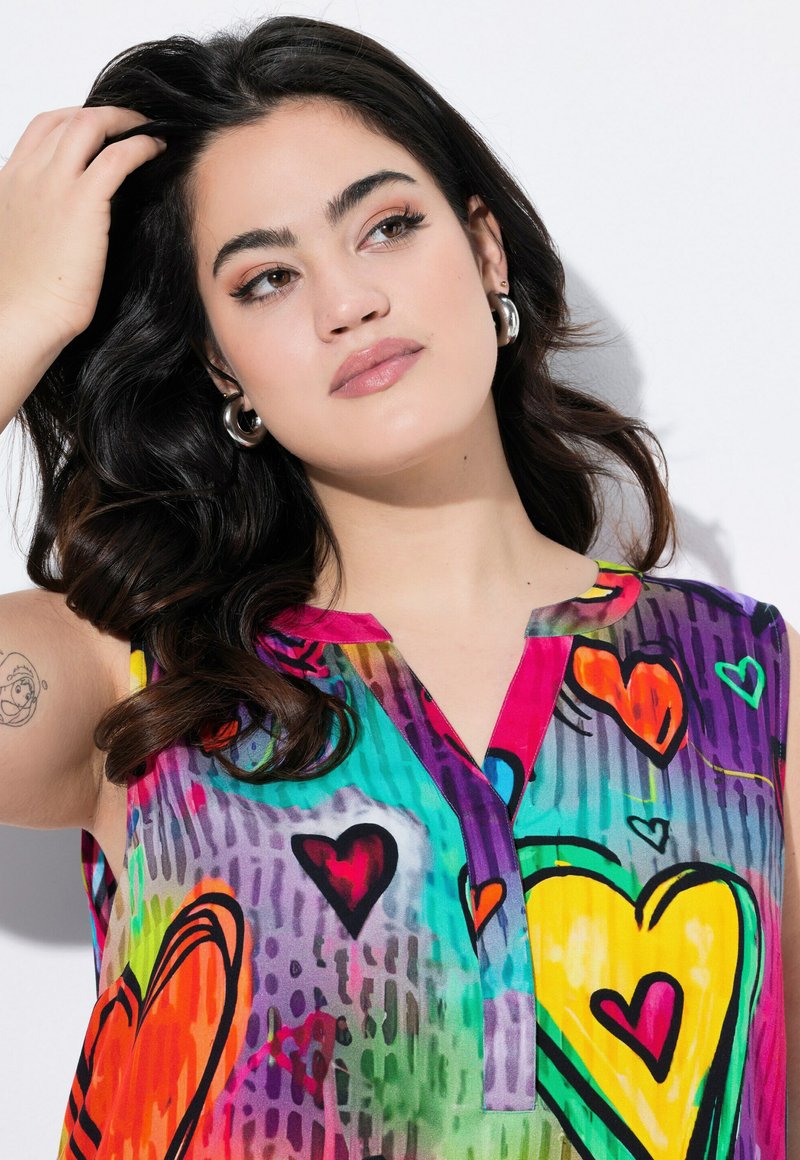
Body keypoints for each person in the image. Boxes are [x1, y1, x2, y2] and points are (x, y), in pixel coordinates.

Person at [0, 14, 796, 1160]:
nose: (346, 301)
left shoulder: (748, 687)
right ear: (220, 364)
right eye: (266, 278)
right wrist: (17, 319)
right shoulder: (130, 680)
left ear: (484, 251)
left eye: (386, 226)